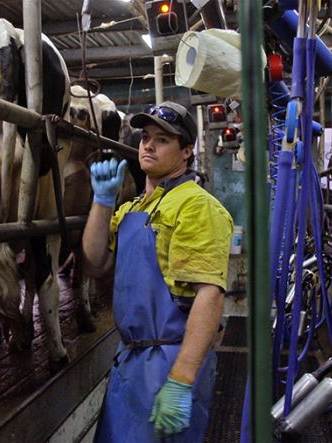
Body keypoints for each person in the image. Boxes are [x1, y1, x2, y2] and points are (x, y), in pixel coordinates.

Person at [82, 101, 233, 442]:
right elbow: (95, 264)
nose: (148, 145)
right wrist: (101, 202)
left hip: (170, 361)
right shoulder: (133, 207)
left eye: (163, 139)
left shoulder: (196, 205)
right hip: (130, 361)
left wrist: (181, 380)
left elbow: (209, 295)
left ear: (186, 152)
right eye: (146, 137)